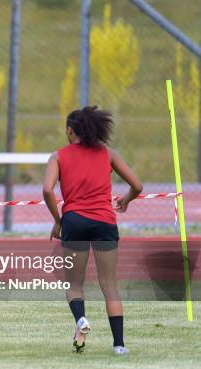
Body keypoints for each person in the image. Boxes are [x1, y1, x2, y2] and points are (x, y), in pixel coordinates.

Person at [43, 106, 143, 355]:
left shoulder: (58, 156)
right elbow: (137, 185)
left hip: (74, 221)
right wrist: (127, 199)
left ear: (70, 130)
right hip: (105, 222)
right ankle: (119, 345)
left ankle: (81, 321)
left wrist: (59, 220)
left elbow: (47, 190)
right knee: (109, 285)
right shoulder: (107, 153)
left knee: (74, 284)